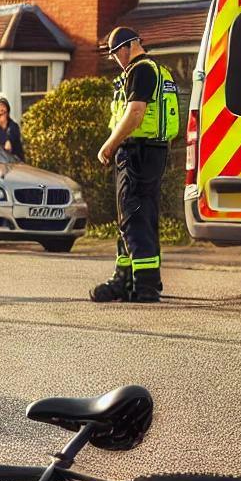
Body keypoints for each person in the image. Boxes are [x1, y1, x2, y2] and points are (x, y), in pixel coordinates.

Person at [91, 27, 181, 304]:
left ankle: (144, 285)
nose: (116, 60)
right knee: (139, 215)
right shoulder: (157, 70)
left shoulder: (140, 70)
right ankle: (127, 279)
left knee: (133, 216)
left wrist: (109, 144)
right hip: (150, 152)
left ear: (128, 47)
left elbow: (135, 113)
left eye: (116, 53)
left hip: (137, 152)